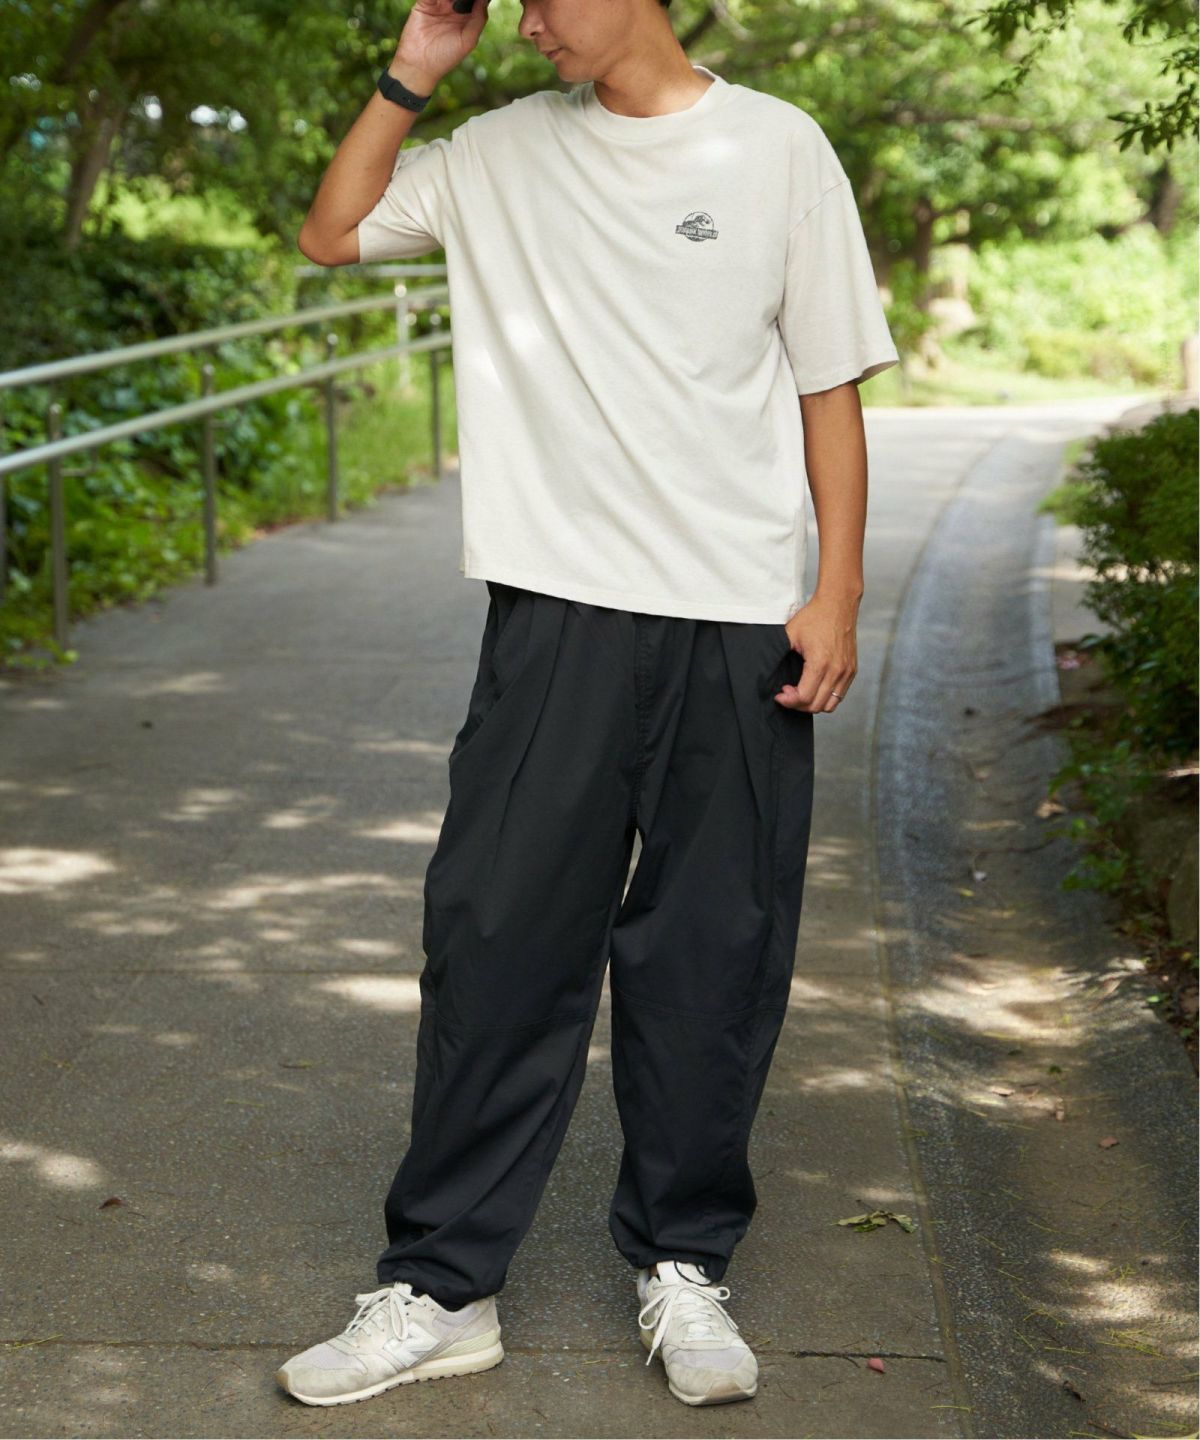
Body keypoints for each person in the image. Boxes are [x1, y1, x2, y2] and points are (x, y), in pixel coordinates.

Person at [280, 0, 898, 1410]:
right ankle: (444, 1286)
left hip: (739, 618)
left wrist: (838, 591)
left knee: (714, 950)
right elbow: (330, 234)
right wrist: (411, 72)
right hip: (555, 612)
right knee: (494, 939)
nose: (526, 24)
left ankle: (685, 1263)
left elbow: (828, 386)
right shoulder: (499, 151)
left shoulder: (778, 149)